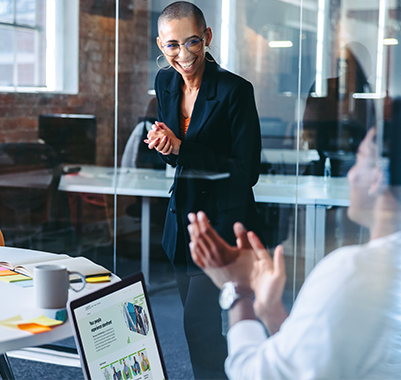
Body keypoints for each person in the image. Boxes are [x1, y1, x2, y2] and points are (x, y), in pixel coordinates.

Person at [188, 119, 401, 378]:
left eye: (359, 160)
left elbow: (256, 374)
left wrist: (238, 291)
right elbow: (310, 366)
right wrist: (271, 311)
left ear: (377, 177)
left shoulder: (350, 271)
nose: (350, 174)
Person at [145, 2, 262, 378]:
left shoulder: (235, 91)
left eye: (192, 42)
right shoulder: (165, 82)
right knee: (203, 329)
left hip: (223, 226)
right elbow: (177, 161)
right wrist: (167, 145)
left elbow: (247, 172)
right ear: (160, 44)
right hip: (182, 225)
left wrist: (181, 147)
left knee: (198, 327)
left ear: (207, 37)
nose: (183, 55)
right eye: (173, 45)